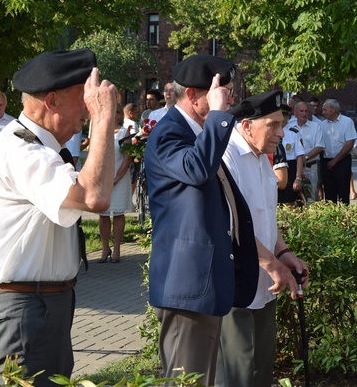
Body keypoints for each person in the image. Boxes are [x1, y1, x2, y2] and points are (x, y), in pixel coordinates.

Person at [0, 48, 117, 386]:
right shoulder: (22, 151)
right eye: (84, 98)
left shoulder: (41, 149)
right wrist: (103, 119)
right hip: (21, 309)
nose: (88, 107)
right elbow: (94, 197)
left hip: (43, 304)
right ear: (52, 101)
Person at [144, 55, 258, 385]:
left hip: (201, 285)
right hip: (186, 287)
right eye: (222, 90)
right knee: (186, 381)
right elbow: (195, 169)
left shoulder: (196, 132)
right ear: (194, 95)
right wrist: (220, 117)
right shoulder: (169, 133)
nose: (230, 97)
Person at [216, 91, 308, 387]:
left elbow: (265, 217)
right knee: (237, 373)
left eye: (282, 124)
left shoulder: (260, 158)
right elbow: (229, 224)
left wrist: (283, 254)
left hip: (266, 284)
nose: (281, 133)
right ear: (246, 125)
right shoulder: (226, 157)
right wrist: (271, 263)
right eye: (273, 124)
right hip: (238, 285)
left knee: (261, 369)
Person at [98, 103, 132, 264]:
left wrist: (117, 178)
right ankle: (105, 248)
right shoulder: (100, 131)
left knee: (117, 213)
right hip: (103, 178)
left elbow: (127, 157)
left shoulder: (125, 133)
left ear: (119, 115)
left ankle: (117, 247)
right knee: (103, 214)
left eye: (115, 112)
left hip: (119, 177)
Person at [320, 99, 357, 204]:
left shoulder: (347, 122)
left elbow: (349, 143)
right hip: (326, 161)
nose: (323, 112)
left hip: (342, 161)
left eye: (325, 109)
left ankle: (344, 218)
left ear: (333, 110)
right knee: (329, 194)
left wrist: (335, 160)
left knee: (343, 193)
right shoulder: (322, 125)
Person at [286, 101, 324, 203]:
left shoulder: (316, 126)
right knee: (293, 198)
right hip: (293, 168)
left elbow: (319, 146)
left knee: (311, 197)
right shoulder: (289, 126)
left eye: (306, 111)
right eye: (301, 111)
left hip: (310, 166)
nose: (304, 113)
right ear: (295, 112)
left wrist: (304, 158)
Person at [278, 106, 305, 204]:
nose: (282, 118)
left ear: (288, 117)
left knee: (288, 201)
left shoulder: (294, 133)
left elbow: (300, 157)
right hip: (274, 168)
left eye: (284, 115)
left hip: (290, 168)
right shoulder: (271, 131)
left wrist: (298, 178)